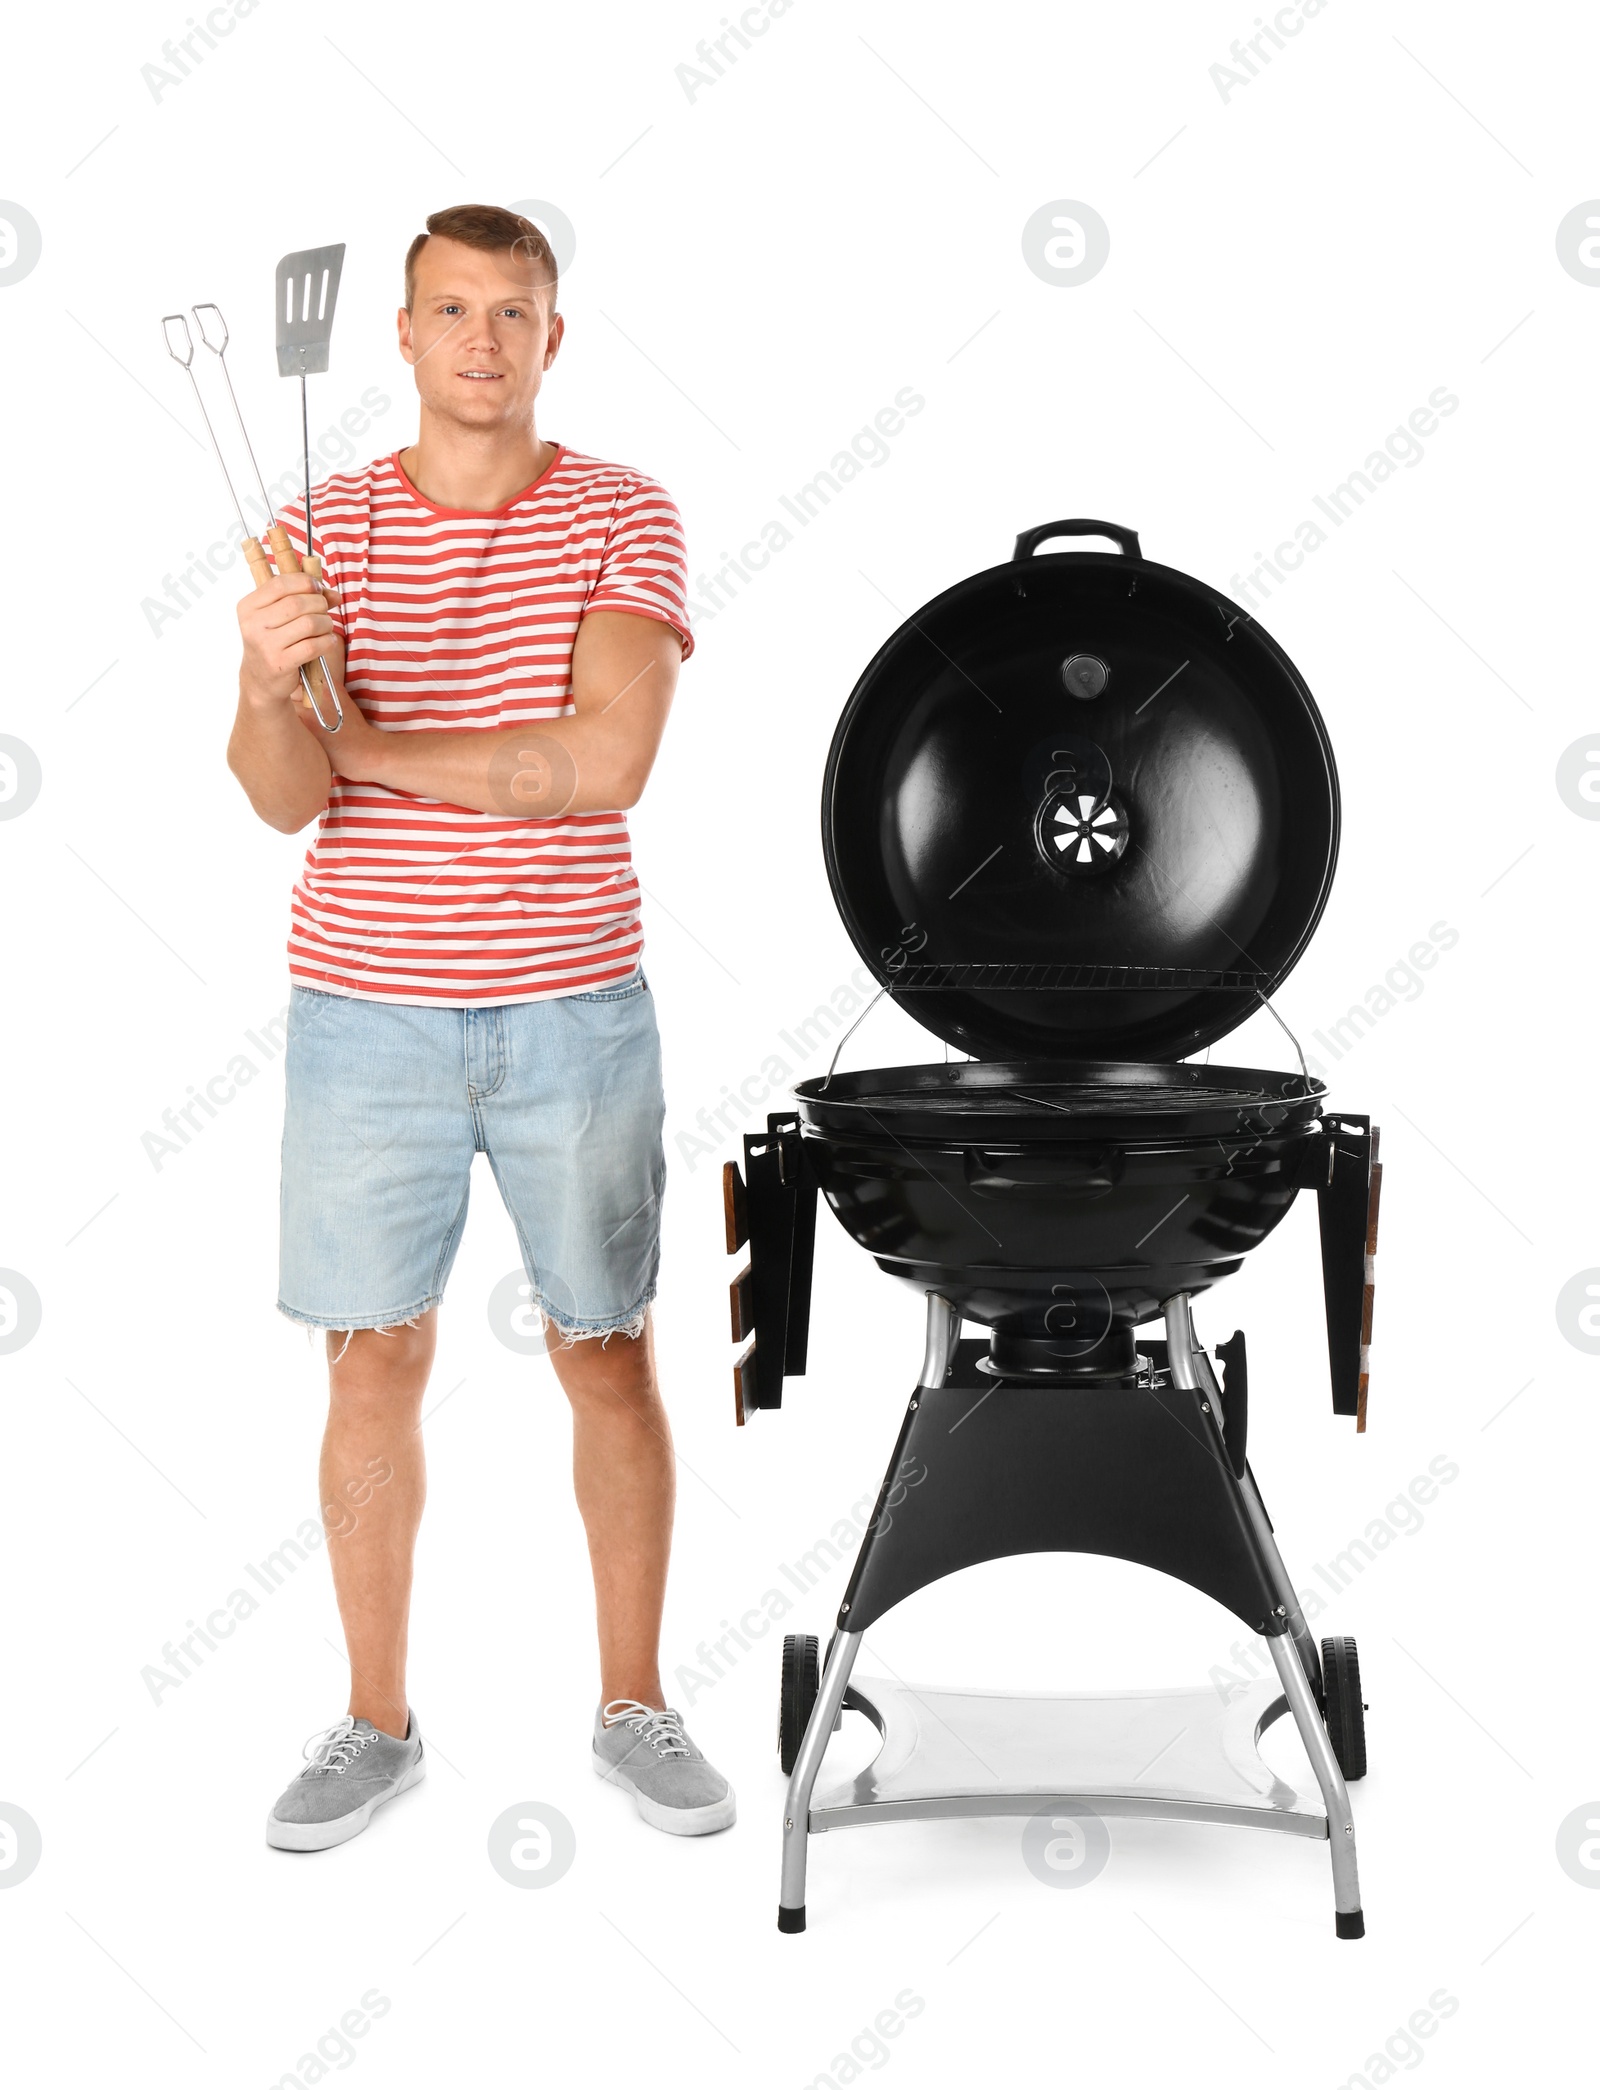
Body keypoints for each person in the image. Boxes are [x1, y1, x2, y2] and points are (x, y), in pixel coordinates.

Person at [226, 202, 732, 1850]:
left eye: (513, 312)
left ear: (553, 337)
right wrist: (266, 679)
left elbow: (597, 764)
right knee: (372, 1360)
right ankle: (374, 1722)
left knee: (605, 1350)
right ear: (401, 333)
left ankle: (636, 1701)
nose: (482, 342)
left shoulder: (620, 513)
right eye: (452, 311)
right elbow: (278, 796)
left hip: (573, 1006)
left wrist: (365, 738)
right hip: (366, 1014)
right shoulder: (325, 531)